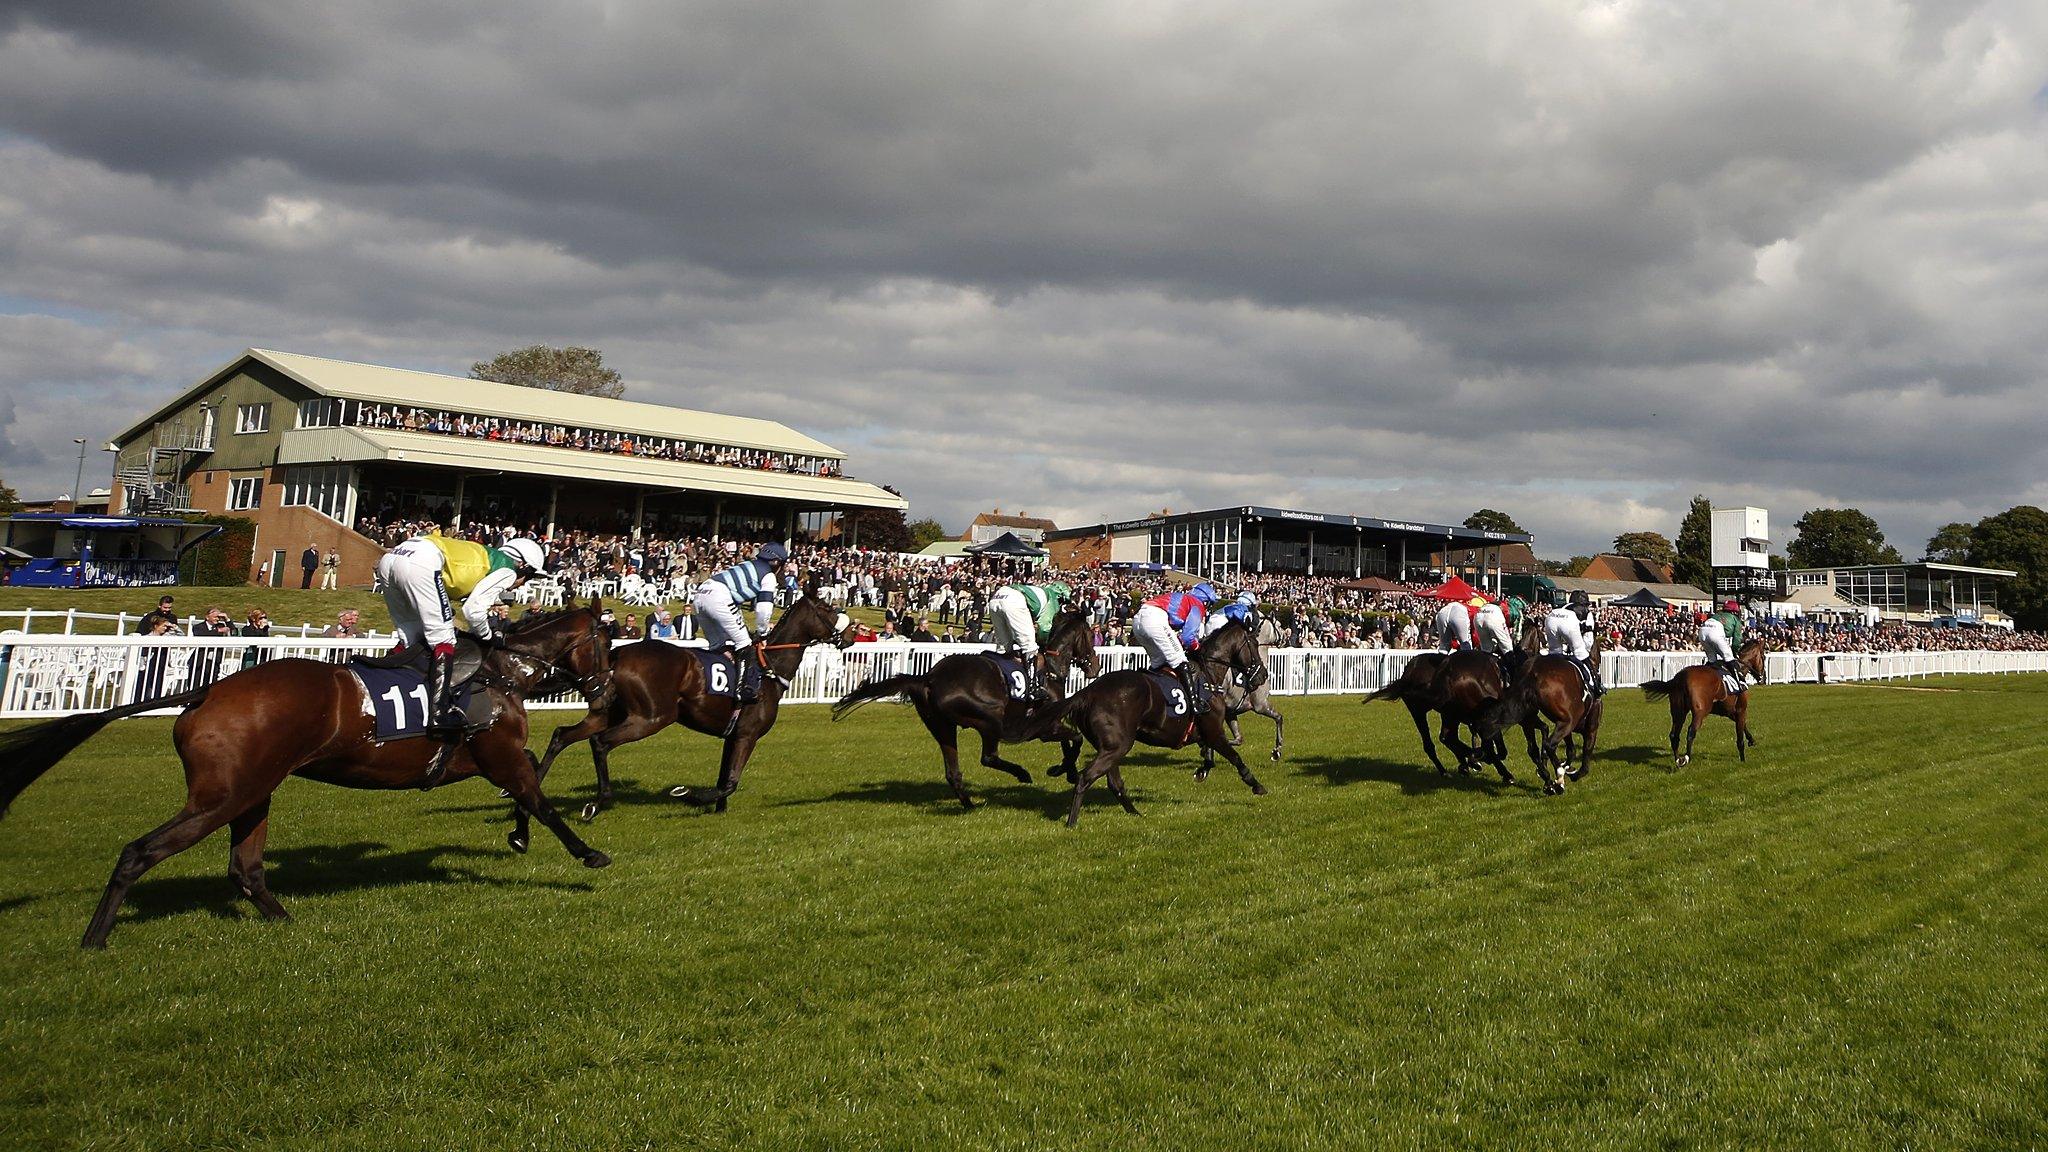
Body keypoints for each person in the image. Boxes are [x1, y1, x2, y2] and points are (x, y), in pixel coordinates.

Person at [375, 532, 546, 773]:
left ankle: (376, 687)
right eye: (527, 577)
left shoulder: (487, 556)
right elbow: (473, 610)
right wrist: (489, 635)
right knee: (443, 638)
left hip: (391, 559)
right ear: (523, 566)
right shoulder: (507, 569)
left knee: (410, 637)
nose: (523, 583)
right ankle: (438, 715)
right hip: (421, 560)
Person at [693, 541, 789, 703]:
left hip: (700, 595)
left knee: (719, 646)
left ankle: (714, 687)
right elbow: (764, 609)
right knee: (745, 644)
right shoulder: (769, 576)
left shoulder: (748, 564)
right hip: (718, 597)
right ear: (777, 563)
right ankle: (746, 689)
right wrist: (763, 632)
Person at [1132, 582, 1221, 713]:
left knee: (1159, 663)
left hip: (1138, 621)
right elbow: (1187, 637)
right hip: (1155, 619)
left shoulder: (1183, 597)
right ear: (1206, 601)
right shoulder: (1197, 604)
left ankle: (1154, 698)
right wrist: (1197, 647)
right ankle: (1194, 704)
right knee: (1180, 661)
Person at [985, 579, 1073, 701]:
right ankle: (1033, 688)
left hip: (996, 597)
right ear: (1060, 595)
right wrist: (1045, 643)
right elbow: (1044, 628)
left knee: (1003, 647)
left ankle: (999, 682)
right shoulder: (1052, 599)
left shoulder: (1041, 591)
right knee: (1030, 647)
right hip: (1013, 600)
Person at [1542, 591, 1603, 696]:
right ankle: (1596, 685)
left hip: (1551, 617)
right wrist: (1581, 652)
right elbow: (1588, 641)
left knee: (1555, 653)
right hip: (1567, 622)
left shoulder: (1564, 606)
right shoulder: (1587, 613)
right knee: (1581, 653)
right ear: (1585, 604)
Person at [1701, 599, 1747, 691]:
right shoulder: (1735, 619)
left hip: (1702, 630)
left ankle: (1703, 680)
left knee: (1712, 661)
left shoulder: (1716, 615)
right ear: (1734, 611)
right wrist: (1734, 652)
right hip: (1715, 632)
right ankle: (1738, 685)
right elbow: (1737, 640)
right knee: (1729, 659)